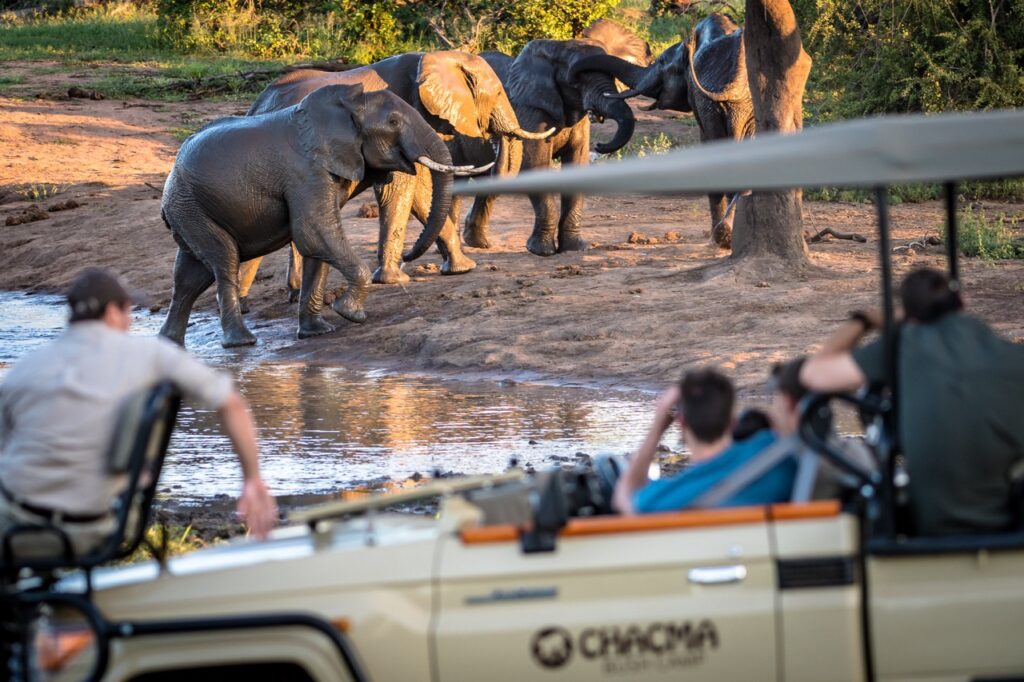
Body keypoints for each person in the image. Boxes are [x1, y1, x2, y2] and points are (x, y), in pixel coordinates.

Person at [0, 268, 278, 559]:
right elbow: (231, 403)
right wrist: (253, 480)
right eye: (128, 311)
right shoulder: (151, 354)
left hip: (16, 528)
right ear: (111, 312)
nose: (130, 321)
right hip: (96, 527)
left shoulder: (26, 367)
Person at [801, 268, 1024, 535]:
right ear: (963, 302)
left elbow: (813, 374)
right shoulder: (1008, 353)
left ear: (909, 315)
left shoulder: (903, 343)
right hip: (1008, 528)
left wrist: (863, 321)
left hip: (931, 527)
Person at [613, 367, 799, 515]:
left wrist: (658, 426)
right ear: (732, 421)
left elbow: (624, 499)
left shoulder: (671, 494)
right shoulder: (774, 453)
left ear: (681, 423)